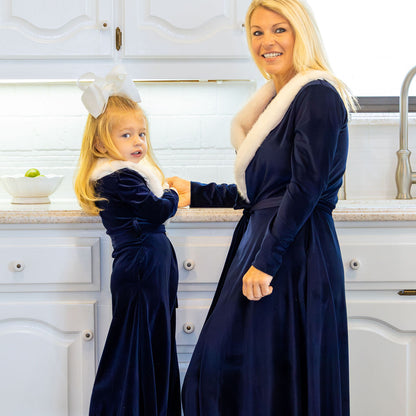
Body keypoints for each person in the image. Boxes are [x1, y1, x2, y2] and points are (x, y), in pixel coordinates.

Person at [168, 1, 357, 415]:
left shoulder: (318, 96)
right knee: (246, 380)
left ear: (301, 33)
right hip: (268, 244)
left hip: (293, 254)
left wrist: (266, 262)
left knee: (247, 377)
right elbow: (265, 189)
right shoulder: (277, 101)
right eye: (257, 32)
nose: (266, 41)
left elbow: (305, 188)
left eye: (279, 29)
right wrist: (199, 192)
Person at [74, 66, 181, 416]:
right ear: (101, 143)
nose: (138, 142)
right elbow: (156, 210)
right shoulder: (117, 177)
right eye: (127, 135)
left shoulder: (127, 175)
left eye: (142, 133)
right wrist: (171, 193)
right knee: (135, 346)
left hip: (149, 269)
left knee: (150, 343)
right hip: (140, 270)